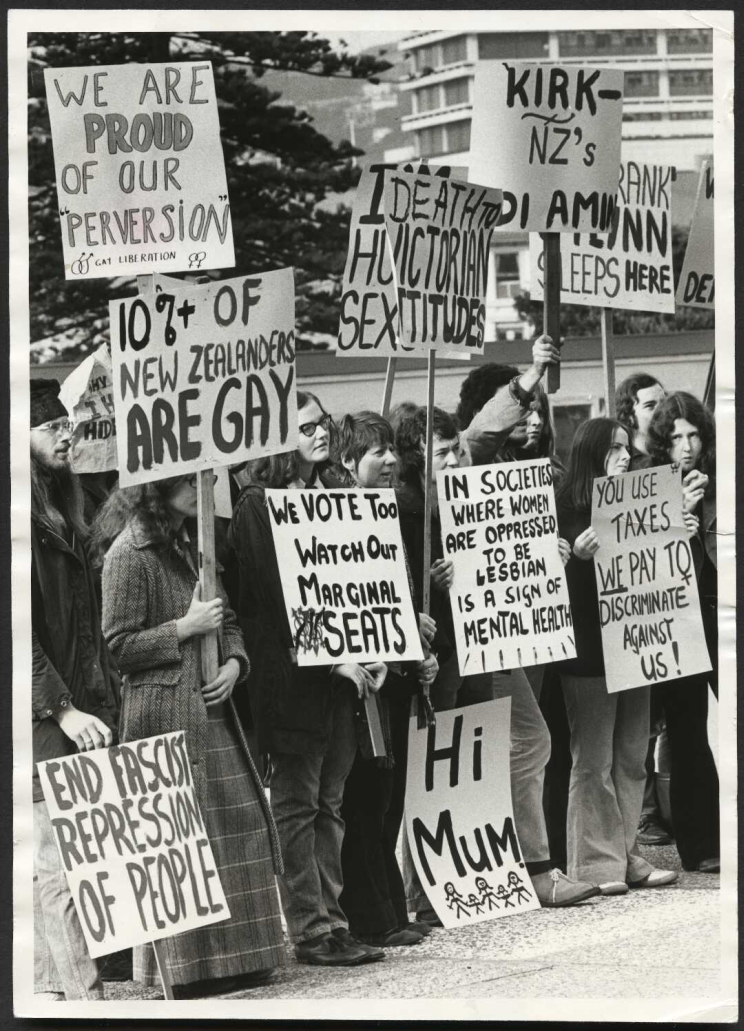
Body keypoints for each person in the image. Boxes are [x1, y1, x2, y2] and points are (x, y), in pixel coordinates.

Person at [395, 404, 598, 913]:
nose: (455, 461)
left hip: (487, 646)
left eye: (457, 450)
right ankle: (433, 887)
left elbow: (506, 559)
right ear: (416, 463)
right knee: (441, 763)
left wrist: (542, 555)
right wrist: (432, 588)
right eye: (441, 454)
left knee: (519, 742)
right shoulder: (408, 514)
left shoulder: (480, 495)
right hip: (442, 657)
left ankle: (513, 869)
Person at [96, 473, 286, 998]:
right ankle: (185, 970)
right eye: (188, 478)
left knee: (236, 825)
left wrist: (233, 661)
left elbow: (227, 621)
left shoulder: (197, 543)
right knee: (178, 840)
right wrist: (183, 628)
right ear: (156, 486)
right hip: (164, 714)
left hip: (213, 707)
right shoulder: (128, 554)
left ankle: (247, 957)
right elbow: (118, 647)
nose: (202, 486)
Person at [228, 392, 387, 967]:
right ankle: (309, 929)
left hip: (341, 679)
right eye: (305, 426)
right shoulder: (255, 505)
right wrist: (330, 659)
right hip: (292, 681)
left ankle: (334, 922)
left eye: (322, 423)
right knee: (298, 805)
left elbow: (361, 583)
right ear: (276, 439)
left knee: (331, 803)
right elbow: (275, 601)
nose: (320, 433)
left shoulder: (337, 495)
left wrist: (376, 646)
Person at [555, 418, 678, 894]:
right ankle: (594, 866)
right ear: (591, 454)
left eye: (627, 447)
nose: (625, 456)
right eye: (614, 449)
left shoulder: (638, 499)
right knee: (593, 761)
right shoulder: (564, 507)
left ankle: (628, 855)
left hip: (635, 644)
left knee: (631, 757)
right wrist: (574, 561)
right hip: (587, 653)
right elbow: (543, 589)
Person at [335, 411, 439, 947]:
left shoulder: (392, 517)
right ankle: (369, 917)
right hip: (358, 683)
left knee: (390, 798)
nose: (392, 460)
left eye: (393, 450)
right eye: (378, 452)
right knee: (365, 801)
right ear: (349, 462)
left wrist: (415, 638)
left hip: (393, 675)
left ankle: (391, 910)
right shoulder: (335, 520)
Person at [30, 379, 119, 1001]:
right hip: (43, 715)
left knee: (64, 856)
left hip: (75, 705)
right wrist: (62, 709)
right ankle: (84, 997)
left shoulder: (68, 506)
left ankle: (50, 990)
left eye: (69, 424)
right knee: (59, 860)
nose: (68, 434)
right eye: (51, 427)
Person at [646, 391, 720, 873]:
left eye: (693, 435)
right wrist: (679, 522)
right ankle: (700, 844)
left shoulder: (723, 482)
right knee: (688, 731)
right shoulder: (649, 489)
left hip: (720, 612)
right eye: (676, 438)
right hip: (676, 620)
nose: (686, 446)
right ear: (662, 444)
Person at [615, 373, 672, 848]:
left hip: (663, 605)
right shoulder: (626, 467)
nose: (660, 410)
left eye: (663, 402)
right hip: (630, 610)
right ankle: (644, 815)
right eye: (650, 404)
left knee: (660, 719)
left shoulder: (669, 459)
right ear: (629, 411)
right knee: (638, 727)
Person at [615, 373, 665, 466]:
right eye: (650, 406)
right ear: (629, 416)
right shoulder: (621, 463)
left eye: (664, 403)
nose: (662, 411)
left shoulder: (675, 454)